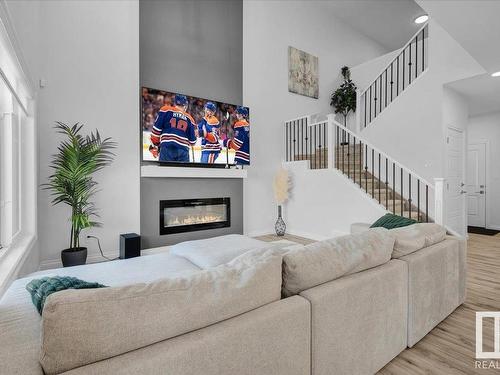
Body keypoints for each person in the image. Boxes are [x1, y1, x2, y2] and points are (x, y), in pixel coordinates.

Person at [150, 94, 197, 162]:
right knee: (182, 172)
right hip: (183, 150)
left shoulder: (165, 110)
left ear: (175, 102)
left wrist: (155, 145)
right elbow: (193, 142)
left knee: (165, 172)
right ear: (185, 105)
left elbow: (156, 132)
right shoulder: (190, 118)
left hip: (167, 147)